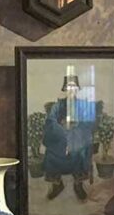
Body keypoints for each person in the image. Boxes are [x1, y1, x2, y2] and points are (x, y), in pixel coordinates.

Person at [41, 74, 96, 202]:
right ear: (64, 89)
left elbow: (87, 124)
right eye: (68, 87)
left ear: (77, 89)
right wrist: (63, 136)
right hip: (60, 136)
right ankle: (57, 184)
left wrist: (72, 139)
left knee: (80, 152)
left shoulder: (83, 105)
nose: (71, 90)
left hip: (78, 138)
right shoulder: (58, 106)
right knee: (51, 154)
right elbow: (51, 121)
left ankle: (79, 184)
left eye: (74, 87)